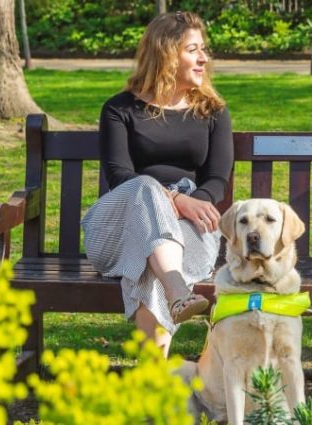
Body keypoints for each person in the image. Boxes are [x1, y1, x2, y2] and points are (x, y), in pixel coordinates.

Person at [81, 11, 233, 357]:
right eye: (193, 50)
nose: (204, 58)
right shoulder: (120, 110)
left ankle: (154, 381)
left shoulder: (213, 112)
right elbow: (120, 175)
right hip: (118, 229)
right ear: (166, 54)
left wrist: (191, 205)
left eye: (203, 49)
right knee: (145, 187)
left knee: (153, 267)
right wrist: (178, 200)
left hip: (189, 229)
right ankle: (177, 288)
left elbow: (216, 179)